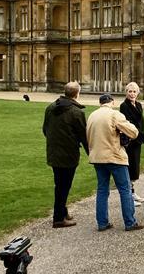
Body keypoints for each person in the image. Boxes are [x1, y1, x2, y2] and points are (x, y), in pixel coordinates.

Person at [86, 93, 144, 232]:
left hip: (97, 157)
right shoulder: (114, 114)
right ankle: (130, 222)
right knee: (125, 189)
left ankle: (102, 222)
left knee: (102, 190)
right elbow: (134, 132)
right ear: (112, 102)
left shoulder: (92, 115)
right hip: (114, 156)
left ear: (100, 103)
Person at [42, 81, 88, 228]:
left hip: (54, 152)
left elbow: (45, 130)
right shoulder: (77, 112)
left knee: (60, 184)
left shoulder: (50, 107)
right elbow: (83, 136)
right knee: (64, 186)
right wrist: (91, 153)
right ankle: (58, 218)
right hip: (68, 154)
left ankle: (62, 211)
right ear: (77, 94)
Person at [119, 82, 144, 207]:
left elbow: (140, 122)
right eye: (129, 91)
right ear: (126, 92)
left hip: (138, 139)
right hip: (131, 140)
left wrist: (142, 135)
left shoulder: (139, 105)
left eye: (134, 91)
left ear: (138, 93)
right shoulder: (124, 106)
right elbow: (129, 123)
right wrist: (138, 135)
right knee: (130, 166)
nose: (132, 94)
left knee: (135, 165)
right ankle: (129, 195)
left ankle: (133, 192)